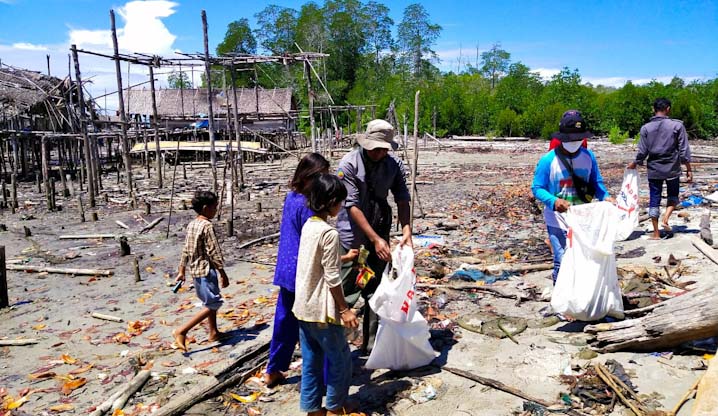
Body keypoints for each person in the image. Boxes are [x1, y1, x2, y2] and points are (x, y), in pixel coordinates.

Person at [264, 153, 356, 387]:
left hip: (286, 267)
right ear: (307, 177)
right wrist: (343, 257)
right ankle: (326, 380)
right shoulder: (308, 206)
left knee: (284, 322)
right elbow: (317, 248)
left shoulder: (291, 197)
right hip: (306, 273)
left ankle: (273, 368)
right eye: (320, 175)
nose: (323, 179)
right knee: (320, 325)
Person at [336, 119, 412, 354]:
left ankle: (371, 344)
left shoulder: (393, 165)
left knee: (376, 288)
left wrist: (407, 229)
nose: (379, 153)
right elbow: (352, 205)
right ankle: (336, 345)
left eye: (384, 149)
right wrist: (374, 239)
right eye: (376, 148)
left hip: (380, 228)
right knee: (347, 288)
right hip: (353, 236)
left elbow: (402, 196)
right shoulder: (348, 164)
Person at [293, 174, 360, 416]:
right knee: (340, 359)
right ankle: (335, 406)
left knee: (311, 362)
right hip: (323, 310)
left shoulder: (309, 226)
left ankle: (312, 409)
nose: (341, 207)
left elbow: (315, 262)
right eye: (340, 202)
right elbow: (332, 277)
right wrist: (345, 309)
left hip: (303, 307)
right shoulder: (329, 234)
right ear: (331, 201)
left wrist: (345, 257)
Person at [532, 110, 613, 283]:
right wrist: (554, 201)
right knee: (562, 260)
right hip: (557, 218)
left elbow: (596, 182)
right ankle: (561, 303)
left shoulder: (588, 156)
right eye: (571, 139)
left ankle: (579, 298)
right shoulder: (548, 160)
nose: (574, 143)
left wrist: (606, 197)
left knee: (584, 258)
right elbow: (537, 188)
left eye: (578, 139)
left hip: (584, 217)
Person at [627, 98, 692, 240]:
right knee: (673, 196)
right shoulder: (677, 126)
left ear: (653, 109)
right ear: (668, 109)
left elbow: (642, 151)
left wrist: (635, 163)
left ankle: (656, 233)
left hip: (654, 168)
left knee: (654, 198)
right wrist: (688, 169)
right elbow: (683, 150)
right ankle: (666, 219)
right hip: (672, 168)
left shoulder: (646, 128)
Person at [173, 190, 229, 352]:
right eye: (214, 207)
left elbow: (186, 249)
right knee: (214, 303)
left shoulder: (192, 224)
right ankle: (182, 331)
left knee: (209, 301)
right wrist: (222, 273)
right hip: (206, 270)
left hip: (194, 271)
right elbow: (214, 251)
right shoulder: (206, 226)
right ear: (205, 208)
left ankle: (213, 332)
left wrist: (182, 270)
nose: (216, 210)